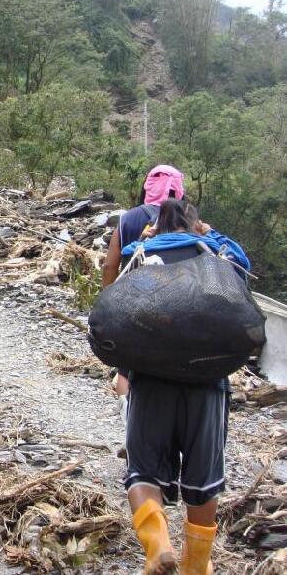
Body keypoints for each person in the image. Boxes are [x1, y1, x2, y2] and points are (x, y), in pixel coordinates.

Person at [120, 198, 249, 575]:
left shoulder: (143, 253)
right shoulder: (213, 255)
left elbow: (119, 299)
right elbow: (243, 267)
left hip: (151, 382)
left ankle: (157, 545)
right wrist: (210, 234)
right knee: (203, 484)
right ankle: (196, 567)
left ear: (156, 225)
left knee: (142, 472)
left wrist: (147, 237)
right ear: (194, 223)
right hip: (206, 385)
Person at [101, 164, 186, 429]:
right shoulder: (189, 220)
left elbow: (109, 265)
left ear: (147, 186)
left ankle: (131, 426)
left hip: (133, 302)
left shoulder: (128, 219)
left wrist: (107, 300)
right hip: (182, 306)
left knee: (127, 367)